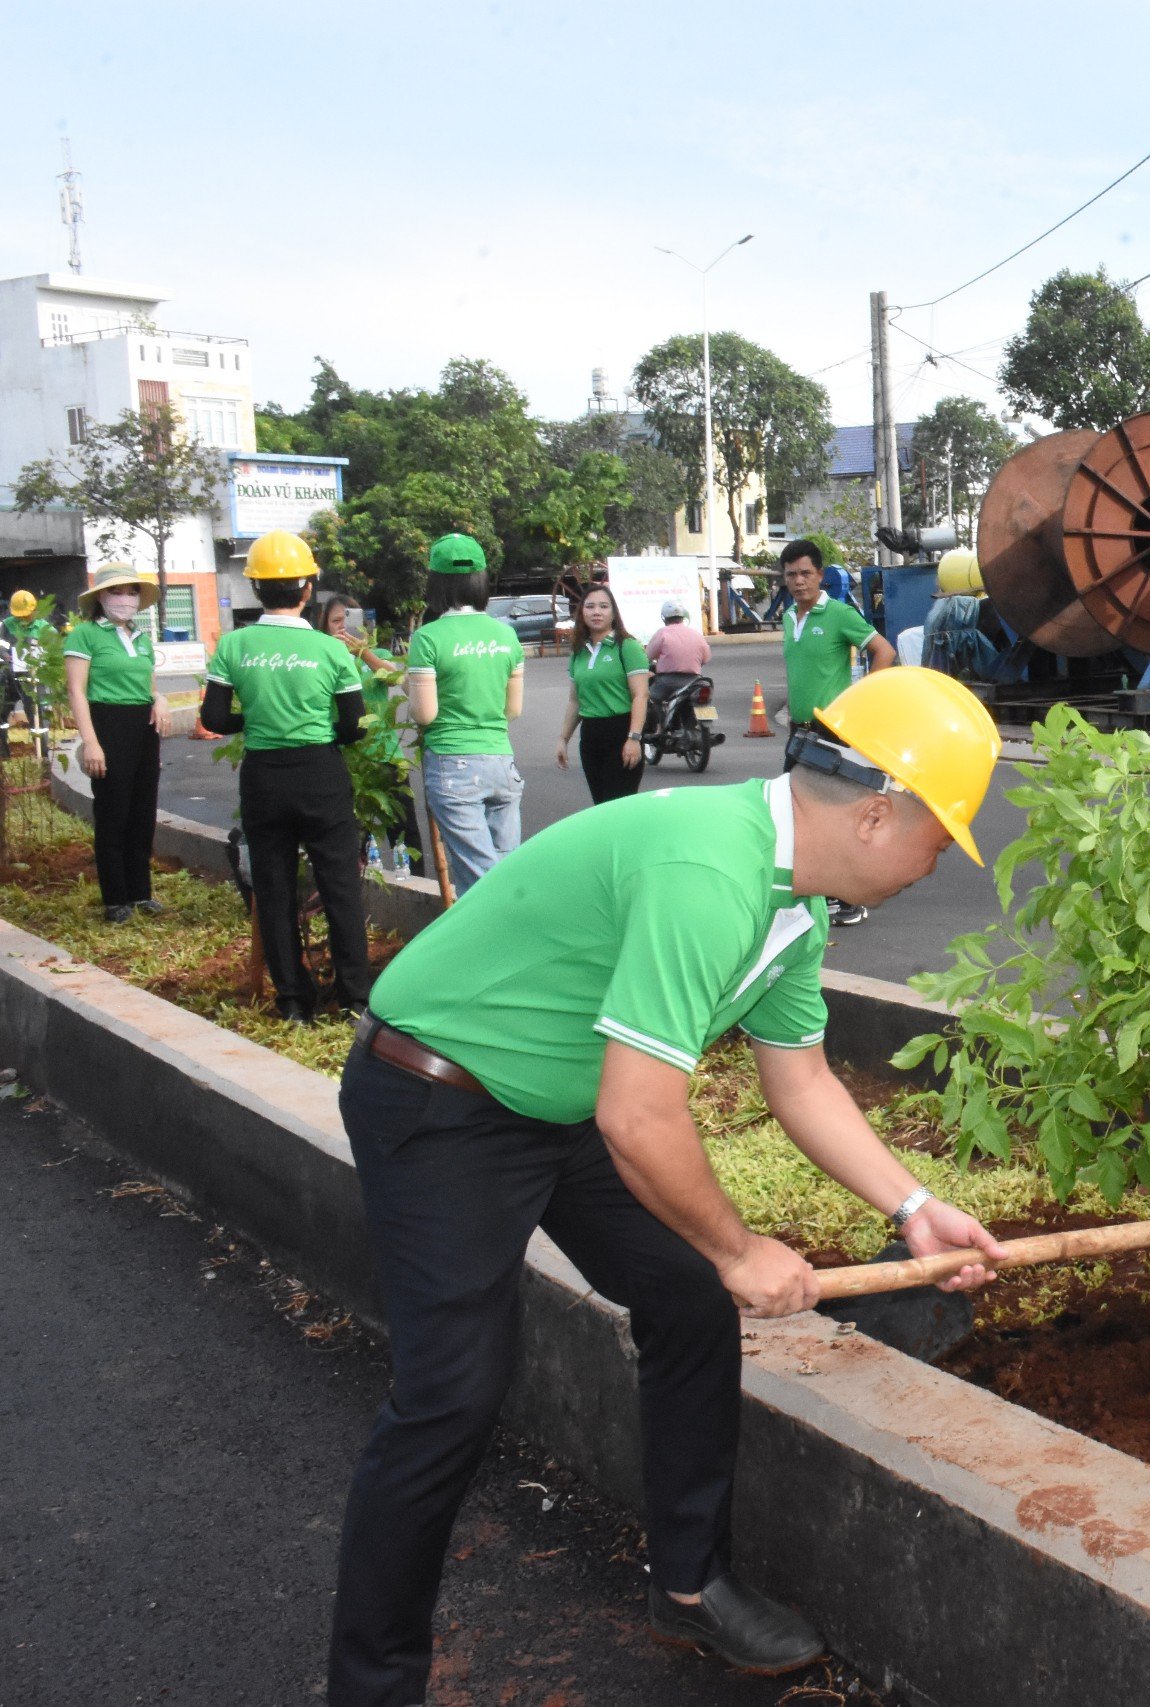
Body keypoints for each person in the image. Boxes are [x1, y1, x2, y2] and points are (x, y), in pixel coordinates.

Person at [329, 666, 1010, 1706]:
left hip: (561, 1104)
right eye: (940, 838)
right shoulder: (712, 870)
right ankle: (372, 1687)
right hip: (442, 1095)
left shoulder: (795, 904)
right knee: (452, 1393)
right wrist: (741, 1251)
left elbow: (802, 1080)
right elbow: (640, 1118)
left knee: (686, 1304)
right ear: (878, 814)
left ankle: (688, 1589)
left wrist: (913, 1210)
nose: (933, 865)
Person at [197, 533, 372, 1023]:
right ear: (308, 586)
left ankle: (294, 1001)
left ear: (255, 587)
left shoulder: (234, 644)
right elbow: (353, 723)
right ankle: (355, 998)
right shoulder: (331, 650)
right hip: (320, 772)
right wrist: (321, 733)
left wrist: (256, 720)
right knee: (339, 885)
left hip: (264, 777)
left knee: (272, 889)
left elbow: (213, 718)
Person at [403, 534, 525, 895]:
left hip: (454, 766)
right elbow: (513, 710)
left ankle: (502, 942)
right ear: (480, 579)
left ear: (435, 582)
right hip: (501, 762)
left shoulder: (428, 638)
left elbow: (425, 715)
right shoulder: (506, 636)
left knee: (480, 882)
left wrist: (411, 688)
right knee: (506, 868)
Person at [62, 565, 172, 922]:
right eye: (117, 592)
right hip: (108, 725)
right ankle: (116, 898)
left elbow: (149, 685)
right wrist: (90, 742)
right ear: (100, 598)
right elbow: (77, 691)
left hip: (143, 728)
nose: (125, 599)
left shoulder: (140, 637)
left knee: (143, 811)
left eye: (131, 593)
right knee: (113, 812)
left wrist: (160, 699)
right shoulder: (85, 635)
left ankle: (141, 893)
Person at [312, 591, 421, 867]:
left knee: (403, 827)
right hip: (345, 755)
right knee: (352, 831)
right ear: (324, 626)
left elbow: (395, 678)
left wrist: (363, 652)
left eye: (347, 620)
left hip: (385, 755)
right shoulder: (318, 658)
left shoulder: (378, 654)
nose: (341, 626)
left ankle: (415, 878)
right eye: (335, 621)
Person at [777, 539, 894, 732]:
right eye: (792, 574)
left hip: (832, 730)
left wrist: (862, 700)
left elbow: (885, 651)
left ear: (820, 575)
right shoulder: (788, 616)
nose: (799, 581)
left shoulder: (840, 614)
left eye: (806, 573)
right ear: (785, 578)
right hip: (797, 729)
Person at [558, 584, 651, 804]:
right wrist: (563, 739)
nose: (596, 612)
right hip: (591, 736)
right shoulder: (578, 651)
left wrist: (634, 738)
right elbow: (575, 700)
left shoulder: (627, 647)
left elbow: (641, 696)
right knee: (600, 807)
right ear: (582, 612)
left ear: (613, 613)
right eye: (590, 606)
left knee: (618, 808)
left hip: (622, 733)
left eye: (603, 606)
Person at [4, 588, 47, 725]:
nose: (22, 618)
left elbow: (55, 650)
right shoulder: (5, 626)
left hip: (34, 677)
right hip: (10, 676)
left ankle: (42, 744)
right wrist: (4, 654)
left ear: (34, 610)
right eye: (19, 615)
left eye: (26, 615)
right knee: (3, 708)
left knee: (35, 709)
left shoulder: (43, 627)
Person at [644, 597, 712, 679]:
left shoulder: (662, 633)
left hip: (667, 681)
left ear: (664, 618)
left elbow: (648, 656)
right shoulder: (696, 634)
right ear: (683, 617)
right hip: (694, 680)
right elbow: (706, 658)